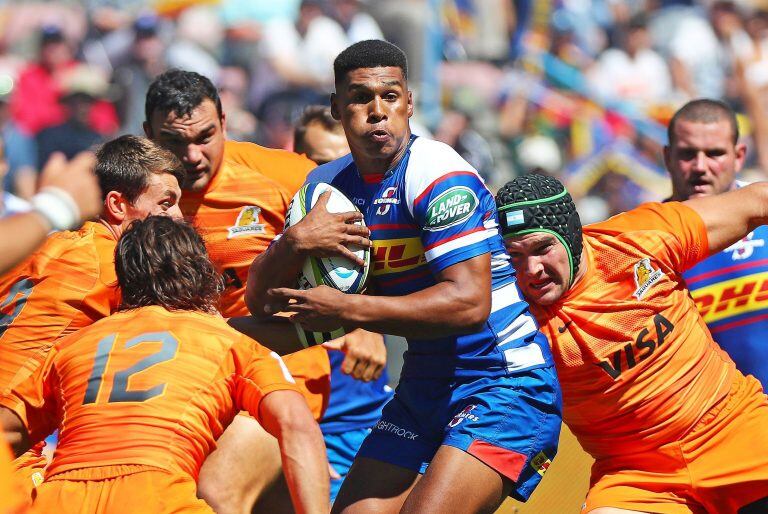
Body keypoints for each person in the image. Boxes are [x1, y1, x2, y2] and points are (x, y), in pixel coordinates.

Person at [247, 40, 562, 514]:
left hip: (504, 383)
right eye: (360, 98)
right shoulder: (323, 190)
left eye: (390, 96)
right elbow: (265, 306)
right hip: (424, 386)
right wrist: (293, 244)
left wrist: (351, 311)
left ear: (409, 103)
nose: (377, 112)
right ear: (337, 107)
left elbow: (469, 304)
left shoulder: (437, 173)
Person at [0, 216, 329, 514]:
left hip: (60, 501)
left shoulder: (69, 346)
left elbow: (6, 432)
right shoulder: (232, 343)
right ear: (203, 273)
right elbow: (296, 425)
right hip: (158, 496)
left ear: (123, 280)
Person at [497, 172, 768, 514]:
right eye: (514, 257)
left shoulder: (638, 237)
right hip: (637, 478)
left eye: (541, 248)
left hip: (736, 430)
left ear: (569, 234)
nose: (531, 269)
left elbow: (758, 201)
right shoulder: (509, 317)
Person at [144, 68, 331, 514]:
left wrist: (364, 326)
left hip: (279, 368)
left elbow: (364, 255)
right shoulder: (133, 194)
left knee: (216, 491)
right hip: (184, 376)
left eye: (206, 137)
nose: (192, 155)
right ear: (148, 135)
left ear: (225, 122)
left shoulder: (285, 177)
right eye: (174, 142)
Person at [0, 135, 184, 500]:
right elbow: (200, 333)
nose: (179, 217)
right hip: (12, 453)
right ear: (117, 204)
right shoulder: (111, 267)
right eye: (166, 203)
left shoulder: (49, 245)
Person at [292, 104, 393, 503]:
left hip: (363, 420)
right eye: (319, 163)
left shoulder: (382, 224)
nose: (332, 183)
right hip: (295, 422)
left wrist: (366, 323)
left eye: (343, 164)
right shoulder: (270, 237)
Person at [664, 98, 768, 387]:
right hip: (714, 426)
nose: (700, 166)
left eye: (714, 153)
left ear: (739, 156)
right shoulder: (645, 240)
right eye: (687, 154)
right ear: (667, 157)